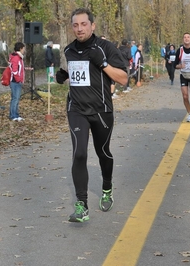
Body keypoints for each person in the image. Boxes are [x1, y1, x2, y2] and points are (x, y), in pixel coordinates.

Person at [55, 7, 127, 223]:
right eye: (75, 25)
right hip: (76, 109)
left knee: (103, 152)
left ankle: (106, 187)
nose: (79, 29)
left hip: (101, 110)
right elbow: (77, 71)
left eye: (83, 24)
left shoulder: (106, 48)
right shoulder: (68, 50)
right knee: (79, 154)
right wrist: (63, 75)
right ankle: (81, 205)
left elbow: (123, 79)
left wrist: (103, 63)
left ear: (92, 25)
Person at [9, 42, 26, 121]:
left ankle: (16, 114)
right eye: (23, 48)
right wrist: (19, 79)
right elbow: (15, 70)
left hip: (17, 81)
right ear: (20, 48)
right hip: (15, 81)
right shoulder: (16, 58)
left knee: (16, 98)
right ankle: (13, 115)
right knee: (15, 99)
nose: (24, 50)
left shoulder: (19, 57)